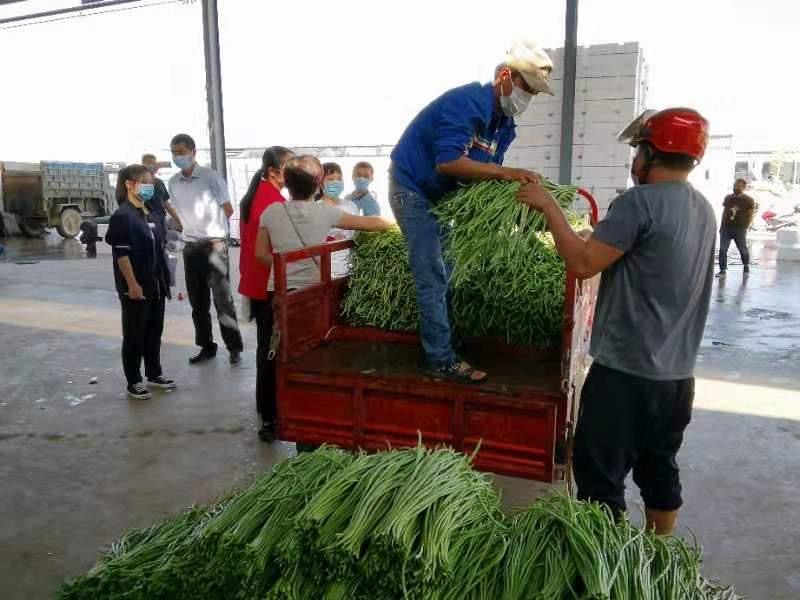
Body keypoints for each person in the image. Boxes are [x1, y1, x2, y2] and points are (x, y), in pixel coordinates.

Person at [517, 108, 715, 535]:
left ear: (650, 152)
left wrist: (549, 207)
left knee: (599, 476)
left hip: (625, 375)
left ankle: (606, 568)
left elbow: (583, 264)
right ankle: (659, 559)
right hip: (676, 378)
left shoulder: (638, 202)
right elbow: (624, 251)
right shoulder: (703, 209)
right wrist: (575, 233)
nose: (633, 161)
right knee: (659, 468)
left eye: (637, 150)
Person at [388, 39, 553, 383]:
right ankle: (440, 361)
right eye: (526, 88)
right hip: (413, 189)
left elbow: (487, 173)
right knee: (432, 275)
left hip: (442, 198)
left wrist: (517, 200)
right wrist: (508, 173)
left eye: (534, 94)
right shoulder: (466, 103)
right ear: (505, 76)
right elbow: (448, 162)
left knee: (447, 272)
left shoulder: (504, 126)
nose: (527, 99)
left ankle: (446, 341)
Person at [167, 133, 244, 365]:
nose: (177, 156)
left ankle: (234, 347)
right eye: (174, 152)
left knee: (222, 300)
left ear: (193, 152)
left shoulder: (211, 177)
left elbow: (228, 209)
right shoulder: (173, 183)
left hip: (214, 246)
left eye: (181, 151)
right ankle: (206, 346)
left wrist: (212, 229)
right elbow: (178, 212)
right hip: (190, 247)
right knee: (197, 302)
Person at [238, 146, 294, 442]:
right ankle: (270, 417)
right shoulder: (272, 203)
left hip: (256, 284)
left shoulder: (255, 197)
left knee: (265, 349)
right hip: (268, 285)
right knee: (271, 351)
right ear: (274, 172)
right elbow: (268, 252)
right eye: (290, 167)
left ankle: (267, 411)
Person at [105, 164, 176, 400]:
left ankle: (154, 373)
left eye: (151, 182)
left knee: (154, 331)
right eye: (145, 181)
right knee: (134, 334)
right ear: (129, 184)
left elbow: (161, 247)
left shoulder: (149, 211)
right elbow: (121, 255)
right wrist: (132, 285)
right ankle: (133, 380)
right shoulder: (122, 216)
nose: (150, 186)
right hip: (136, 285)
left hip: (156, 283)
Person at [320, 162, 358, 277]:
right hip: (327, 273)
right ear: (320, 183)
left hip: (351, 270)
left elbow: (358, 235)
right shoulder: (316, 209)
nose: (336, 182)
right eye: (330, 179)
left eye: (339, 178)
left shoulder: (351, 206)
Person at [717, 178, 755, 277]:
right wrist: (721, 226)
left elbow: (751, 214)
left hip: (740, 229)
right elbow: (724, 212)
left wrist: (747, 225)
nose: (736, 187)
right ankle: (722, 270)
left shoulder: (748, 200)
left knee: (742, 249)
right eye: (735, 185)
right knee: (723, 249)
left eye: (738, 186)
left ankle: (746, 266)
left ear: (743, 187)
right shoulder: (728, 198)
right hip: (726, 228)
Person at [140, 153, 183, 241]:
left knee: (163, 244)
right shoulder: (140, 183)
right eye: (149, 163)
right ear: (143, 165)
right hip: (147, 219)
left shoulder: (159, 183)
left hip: (161, 219)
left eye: (154, 163)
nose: (152, 166)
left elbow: (167, 204)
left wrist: (178, 220)